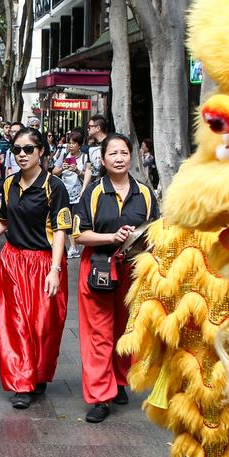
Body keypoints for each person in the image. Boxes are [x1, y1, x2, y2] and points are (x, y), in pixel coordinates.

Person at [0, 128, 71, 409]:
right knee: (16, 324)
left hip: (44, 262)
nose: (22, 155)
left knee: (45, 326)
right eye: (16, 150)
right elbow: (4, 220)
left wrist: (56, 269)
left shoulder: (54, 186)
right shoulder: (10, 184)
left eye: (28, 149)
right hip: (13, 261)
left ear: (41, 152)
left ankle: (38, 375)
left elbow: (61, 230)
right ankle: (21, 382)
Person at [72, 133, 158, 423]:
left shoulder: (144, 193)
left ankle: (119, 381)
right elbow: (78, 234)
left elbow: (156, 234)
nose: (119, 158)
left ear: (131, 156)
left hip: (132, 271)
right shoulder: (94, 192)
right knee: (99, 334)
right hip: (97, 266)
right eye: (113, 153)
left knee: (126, 330)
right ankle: (99, 396)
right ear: (103, 159)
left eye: (124, 152)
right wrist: (112, 236)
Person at [52, 131, 88, 257]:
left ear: (79, 145)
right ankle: (73, 247)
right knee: (67, 221)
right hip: (65, 193)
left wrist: (77, 170)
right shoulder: (64, 155)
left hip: (79, 195)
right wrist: (63, 167)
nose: (70, 146)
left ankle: (79, 245)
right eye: (69, 143)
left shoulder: (85, 157)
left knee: (77, 220)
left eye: (73, 143)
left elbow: (88, 177)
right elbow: (54, 172)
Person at [82, 113, 108, 192]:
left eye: (90, 127)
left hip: (107, 185)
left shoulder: (110, 143)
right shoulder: (91, 147)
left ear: (98, 128)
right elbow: (89, 168)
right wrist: (84, 188)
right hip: (95, 185)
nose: (88, 129)